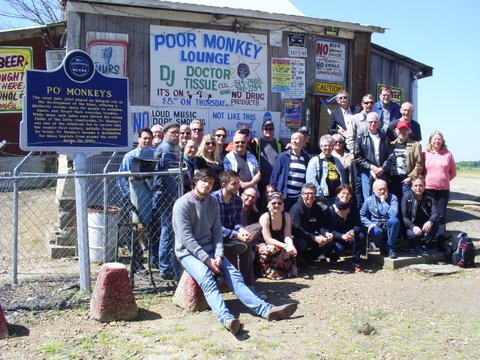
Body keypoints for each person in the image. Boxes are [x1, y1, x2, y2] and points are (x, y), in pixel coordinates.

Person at [172, 168, 298, 335]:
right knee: (207, 279)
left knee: (236, 277)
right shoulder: (182, 204)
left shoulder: (212, 202)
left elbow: (217, 232)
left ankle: (267, 310)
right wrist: (207, 260)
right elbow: (187, 239)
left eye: (210, 183)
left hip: (211, 250)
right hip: (188, 253)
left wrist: (218, 254)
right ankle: (227, 318)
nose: (207, 186)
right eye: (204, 182)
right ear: (195, 182)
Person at [117, 128, 154, 273]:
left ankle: (152, 261)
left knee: (150, 229)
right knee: (133, 230)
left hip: (149, 197)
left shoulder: (153, 155)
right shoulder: (129, 157)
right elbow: (121, 179)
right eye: (144, 138)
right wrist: (129, 196)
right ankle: (137, 263)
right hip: (131, 198)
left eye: (149, 138)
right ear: (138, 139)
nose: (146, 141)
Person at [212, 171, 256, 288]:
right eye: (234, 184)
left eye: (238, 183)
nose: (237, 186)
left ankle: (247, 284)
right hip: (215, 237)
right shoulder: (213, 200)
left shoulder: (237, 200)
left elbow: (236, 222)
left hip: (230, 235)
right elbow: (215, 227)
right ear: (223, 184)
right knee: (240, 242)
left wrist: (242, 231)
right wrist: (236, 235)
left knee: (247, 241)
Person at [153, 123, 181, 280]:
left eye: (178, 133)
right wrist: (176, 196)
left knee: (169, 232)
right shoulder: (165, 149)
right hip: (167, 198)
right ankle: (165, 268)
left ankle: (167, 265)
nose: (176, 135)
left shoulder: (171, 149)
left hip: (169, 196)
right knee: (168, 232)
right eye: (173, 133)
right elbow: (169, 178)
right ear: (165, 134)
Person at [422, 130, 456, 245]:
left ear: (442, 141)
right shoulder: (425, 154)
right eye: (435, 139)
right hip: (428, 189)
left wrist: (444, 180)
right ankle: (428, 240)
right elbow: (421, 171)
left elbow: (453, 173)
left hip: (443, 190)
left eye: (439, 139)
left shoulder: (448, 154)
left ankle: (440, 241)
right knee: (428, 215)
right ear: (430, 140)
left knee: (440, 216)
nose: (437, 141)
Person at [289, 183, 334, 269]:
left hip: (312, 235)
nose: (310, 196)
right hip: (299, 237)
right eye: (307, 193)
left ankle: (307, 258)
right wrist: (314, 238)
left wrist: (326, 233)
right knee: (302, 243)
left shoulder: (317, 208)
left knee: (328, 241)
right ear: (302, 195)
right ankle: (297, 259)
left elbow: (321, 225)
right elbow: (297, 230)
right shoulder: (296, 209)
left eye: (312, 193)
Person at [255, 192, 297, 279]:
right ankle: (266, 271)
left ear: (283, 205)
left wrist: (290, 245)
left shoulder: (286, 216)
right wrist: (285, 246)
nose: (277, 205)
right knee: (271, 248)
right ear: (268, 205)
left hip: (278, 243)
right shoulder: (265, 217)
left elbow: (287, 235)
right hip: (262, 244)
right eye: (273, 203)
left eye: (279, 203)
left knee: (289, 249)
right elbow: (267, 239)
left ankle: (284, 270)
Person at [325, 184, 366, 272]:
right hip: (337, 237)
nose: (345, 196)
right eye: (343, 193)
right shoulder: (330, 209)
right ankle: (333, 257)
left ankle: (356, 262)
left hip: (350, 235)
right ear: (338, 194)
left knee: (360, 236)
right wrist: (342, 236)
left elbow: (358, 224)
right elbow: (329, 229)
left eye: (348, 194)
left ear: (351, 196)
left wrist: (352, 231)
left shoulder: (353, 207)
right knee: (338, 249)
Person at [354, 112, 390, 205]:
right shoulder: (360, 137)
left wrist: (383, 168)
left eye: (375, 122)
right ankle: (369, 219)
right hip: (367, 173)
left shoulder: (385, 137)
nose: (373, 124)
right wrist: (371, 167)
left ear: (378, 123)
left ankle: (381, 219)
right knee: (369, 199)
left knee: (383, 198)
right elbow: (357, 157)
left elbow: (390, 155)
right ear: (366, 123)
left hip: (382, 172)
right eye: (370, 122)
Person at [270, 131, 310, 211]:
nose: (294, 141)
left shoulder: (306, 157)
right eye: (292, 139)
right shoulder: (284, 156)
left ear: (302, 142)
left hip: (298, 197)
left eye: (296, 139)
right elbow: (275, 174)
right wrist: (273, 189)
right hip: (284, 196)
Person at [360, 179, 400, 259]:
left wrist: (383, 202)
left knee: (394, 221)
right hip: (376, 225)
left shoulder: (393, 198)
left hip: (389, 225)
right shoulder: (369, 200)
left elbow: (393, 214)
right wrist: (370, 224)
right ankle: (384, 247)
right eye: (380, 189)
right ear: (374, 190)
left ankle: (391, 248)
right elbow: (362, 215)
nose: (382, 191)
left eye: (384, 189)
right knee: (374, 230)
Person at [385, 120, 423, 204]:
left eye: (405, 129)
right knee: (394, 206)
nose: (402, 131)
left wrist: (410, 178)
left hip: (407, 183)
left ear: (409, 131)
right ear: (396, 131)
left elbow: (419, 165)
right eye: (400, 129)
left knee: (407, 206)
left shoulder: (415, 146)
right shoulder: (390, 145)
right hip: (392, 182)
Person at [401, 176, 439, 255]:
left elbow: (435, 213)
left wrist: (430, 222)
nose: (418, 188)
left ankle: (425, 243)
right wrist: (413, 227)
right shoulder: (406, 197)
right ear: (411, 187)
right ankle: (415, 244)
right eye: (416, 185)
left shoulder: (430, 197)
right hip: (412, 225)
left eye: (421, 185)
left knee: (436, 223)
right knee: (412, 235)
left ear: (424, 187)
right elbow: (404, 217)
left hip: (425, 225)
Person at [306, 134, 345, 208]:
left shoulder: (337, 161)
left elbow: (342, 178)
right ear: (321, 146)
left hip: (336, 198)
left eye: (330, 145)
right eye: (325, 146)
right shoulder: (315, 161)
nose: (328, 148)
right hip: (322, 199)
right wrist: (320, 195)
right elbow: (311, 181)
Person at [253, 118, 283, 208]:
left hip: (275, 183)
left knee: (275, 206)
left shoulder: (279, 144)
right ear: (262, 130)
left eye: (271, 129)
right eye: (266, 129)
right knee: (261, 207)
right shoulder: (257, 143)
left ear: (274, 130)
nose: (268, 131)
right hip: (261, 182)